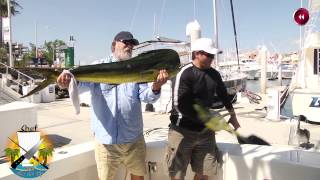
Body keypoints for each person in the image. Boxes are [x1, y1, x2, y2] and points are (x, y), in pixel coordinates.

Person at [57, 31, 169, 180]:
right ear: (114, 45)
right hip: (106, 142)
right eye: (126, 42)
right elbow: (78, 84)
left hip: (134, 139)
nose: (129, 46)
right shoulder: (99, 66)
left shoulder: (137, 68)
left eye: (132, 44)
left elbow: (147, 97)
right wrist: (65, 82)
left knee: (138, 177)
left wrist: (156, 86)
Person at [167, 38, 240, 180]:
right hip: (182, 131)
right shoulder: (184, 73)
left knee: (204, 173)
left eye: (213, 55)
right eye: (209, 55)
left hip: (206, 133)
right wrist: (208, 120)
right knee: (177, 175)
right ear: (197, 54)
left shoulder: (214, 74)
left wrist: (233, 115)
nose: (212, 58)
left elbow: (224, 95)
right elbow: (179, 105)